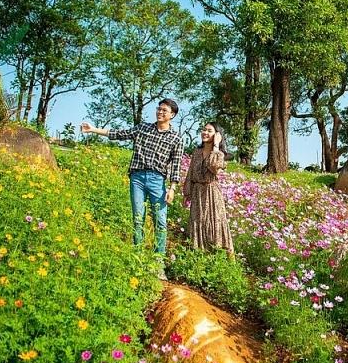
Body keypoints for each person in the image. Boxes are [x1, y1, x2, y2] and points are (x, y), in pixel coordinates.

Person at [80, 99, 184, 268]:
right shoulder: (143, 128)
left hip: (158, 180)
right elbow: (119, 134)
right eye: (159, 109)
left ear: (172, 115)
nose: (160, 112)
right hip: (137, 178)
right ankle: (138, 256)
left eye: (164, 110)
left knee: (161, 220)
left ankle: (158, 262)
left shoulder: (176, 138)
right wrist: (93, 129)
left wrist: (172, 188)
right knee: (138, 219)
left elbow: (176, 165)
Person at [182, 122, 234, 254]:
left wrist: (216, 146)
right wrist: (186, 193)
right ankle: (199, 254)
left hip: (212, 193)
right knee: (198, 221)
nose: (205, 132)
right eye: (204, 130)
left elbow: (214, 166)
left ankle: (220, 256)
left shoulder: (220, 154)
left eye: (209, 131)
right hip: (198, 193)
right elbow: (190, 173)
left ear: (217, 135)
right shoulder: (197, 152)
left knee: (215, 222)